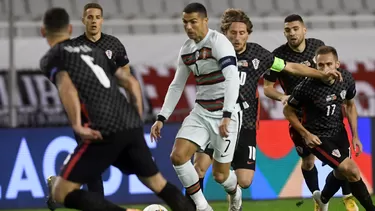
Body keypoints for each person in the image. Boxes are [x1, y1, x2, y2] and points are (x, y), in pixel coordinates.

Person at [40, 7, 195, 211]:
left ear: (43, 32)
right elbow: (131, 83)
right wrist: (136, 118)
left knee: (60, 192)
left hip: (102, 126)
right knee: (160, 185)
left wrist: (77, 125)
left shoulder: (53, 56)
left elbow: (66, 87)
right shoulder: (94, 51)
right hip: (129, 122)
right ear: (70, 28)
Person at [191, 8, 343, 203]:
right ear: (224, 33)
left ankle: (234, 193)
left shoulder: (258, 55)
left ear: (248, 34)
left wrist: (321, 74)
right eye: (233, 33)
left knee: (244, 181)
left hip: (244, 123)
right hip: (211, 117)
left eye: (242, 33)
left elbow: (291, 67)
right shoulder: (211, 50)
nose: (237, 38)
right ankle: (195, 207)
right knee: (199, 168)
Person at [150, 3, 243, 211]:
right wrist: (161, 117)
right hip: (201, 112)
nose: (189, 27)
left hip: (225, 114)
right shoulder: (187, 50)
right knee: (178, 156)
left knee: (221, 175)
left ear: (205, 21)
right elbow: (177, 84)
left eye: (193, 21)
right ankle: (202, 206)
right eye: (185, 22)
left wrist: (227, 114)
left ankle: (235, 193)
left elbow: (232, 78)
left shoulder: (219, 43)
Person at [263, 14, 358, 211]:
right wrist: (282, 97)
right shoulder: (278, 56)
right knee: (307, 161)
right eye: (288, 30)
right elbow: (267, 88)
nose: (292, 33)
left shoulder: (318, 46)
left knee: (343, 160)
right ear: (284, 33)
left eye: (295, 28)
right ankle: (318, 196)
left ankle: (348, 196)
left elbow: (328, 72)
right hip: (299, 115)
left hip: (324, 112)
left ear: (304, 30)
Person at [284, 45, 374, 211]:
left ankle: (323, 199)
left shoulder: (346, 79)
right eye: (321, 65)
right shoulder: (306, 87)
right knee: (351, 170)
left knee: (341, 173)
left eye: (329, 64)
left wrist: (355, 136)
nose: (325, 69)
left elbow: (350, 105)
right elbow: (287, 110)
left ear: (337, 64)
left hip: (339, 132)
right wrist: (306, 134)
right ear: (315, 66)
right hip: (318, 136)